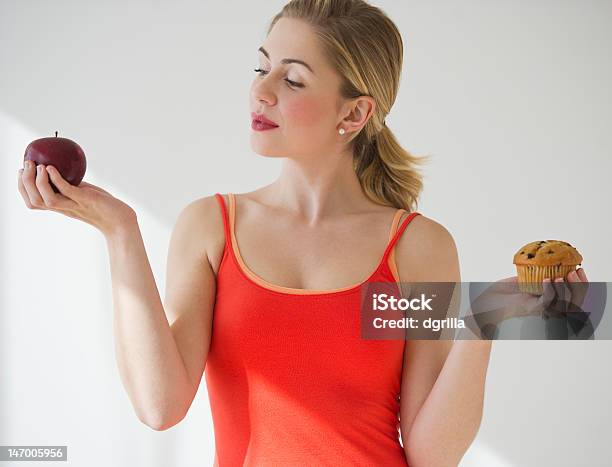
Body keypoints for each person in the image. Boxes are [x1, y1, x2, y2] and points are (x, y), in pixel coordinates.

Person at [16, 0, 590, 465]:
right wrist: (121, 231)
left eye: (292, 80)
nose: (261, 92)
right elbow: (159, 405)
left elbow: (429, 454)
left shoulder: (415, 246)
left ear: (354, 115)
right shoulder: (212, 227)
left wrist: (483, 323)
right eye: (261, 67)